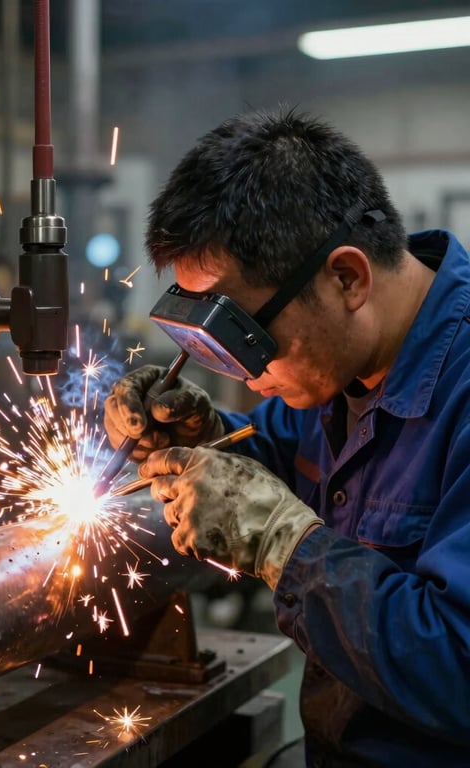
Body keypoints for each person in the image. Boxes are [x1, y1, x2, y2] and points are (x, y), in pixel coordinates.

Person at [103, 106, 470, 766]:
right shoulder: (335, 373)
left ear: (347, 278)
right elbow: (272, 462)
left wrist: (284, 545)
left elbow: (460, 671)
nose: (244, 376)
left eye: (248, 341)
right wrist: (203, 434)